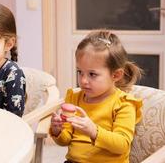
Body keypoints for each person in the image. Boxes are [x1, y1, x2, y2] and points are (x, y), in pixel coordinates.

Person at [50, 30, 143, 163]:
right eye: (80, 72)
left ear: (116, 75)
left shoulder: (124, 104)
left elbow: (122, 145)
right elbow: (65, 141)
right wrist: (58, 130)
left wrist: (94, 131)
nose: (83, 80)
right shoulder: (74, 98)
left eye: (92, 74)